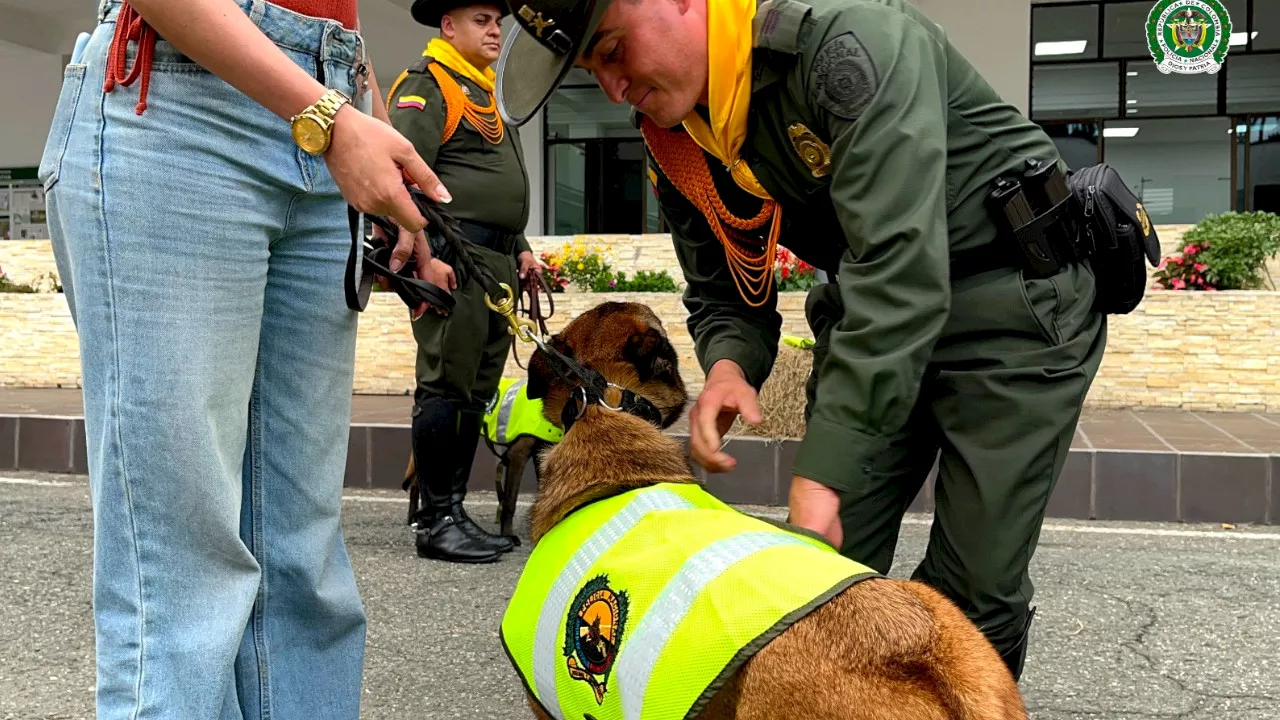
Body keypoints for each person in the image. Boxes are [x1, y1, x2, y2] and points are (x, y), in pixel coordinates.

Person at [491, 0, 1109, 680]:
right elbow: (723, 289)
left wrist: (824, 476)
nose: (611, 87)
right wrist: (730, 366)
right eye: (591, 69)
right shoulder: (677, 137)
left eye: (611, 49)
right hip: (873, 314)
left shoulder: (846, 47)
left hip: (1010, 304)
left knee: (969, 593)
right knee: (818, 574)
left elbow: (900, 271)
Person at [38, 0, 450, 716]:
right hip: (176, 98)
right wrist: (331, 114)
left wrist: (364, 117)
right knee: (178, 583)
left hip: (330, 105)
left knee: (303, 568)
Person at [388, 0, 543, 564]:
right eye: (481, 20)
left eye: (497, 21)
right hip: (453, 256)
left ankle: (453, 510)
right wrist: (424, 256)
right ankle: (436, 521)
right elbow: (399, 181)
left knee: (476, 391)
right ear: (448, 26)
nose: (495, 30)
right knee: (445, 385)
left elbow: (499, 192)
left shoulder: (485, 93)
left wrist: (521, 251)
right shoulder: (426, 86)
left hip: (494, 262)